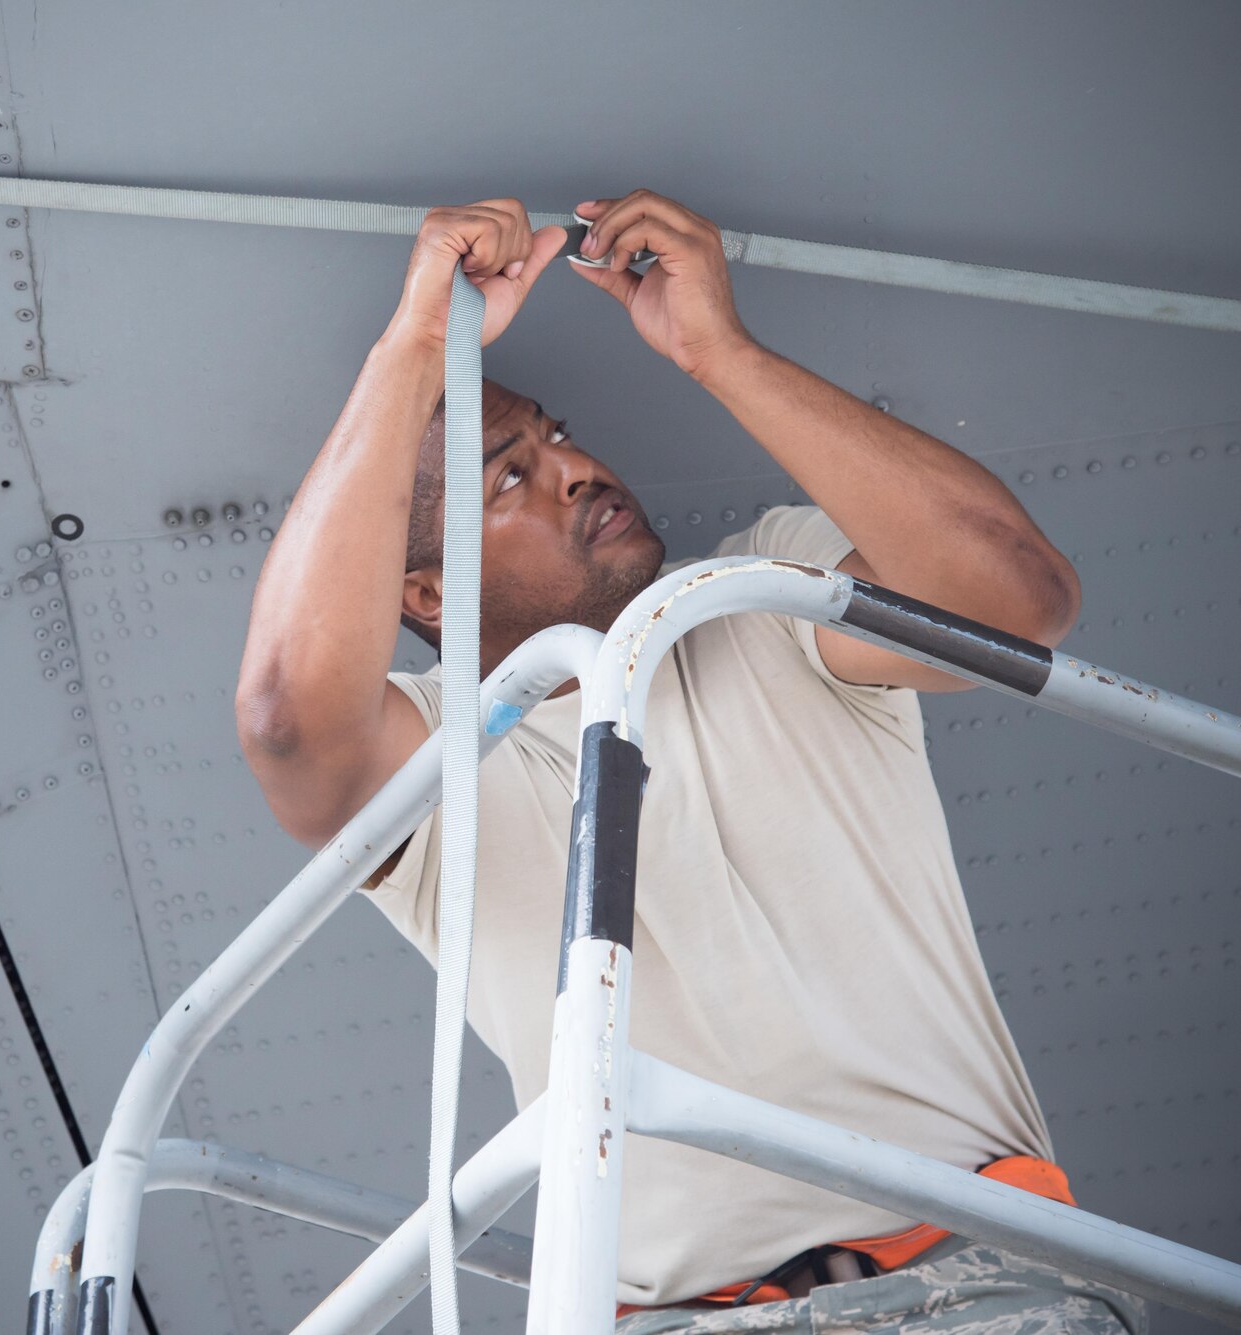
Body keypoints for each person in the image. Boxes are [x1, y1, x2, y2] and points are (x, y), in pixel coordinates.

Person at [233, 191, 1144, 1334]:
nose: (573, 468)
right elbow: (284, 725)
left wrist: (716, 351)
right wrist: (415, 344)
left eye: (556, 435)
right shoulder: (437, 763)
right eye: (507, 476)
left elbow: (1017, 600)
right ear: (423, 595)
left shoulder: (767, 591)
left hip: (977, 1283)